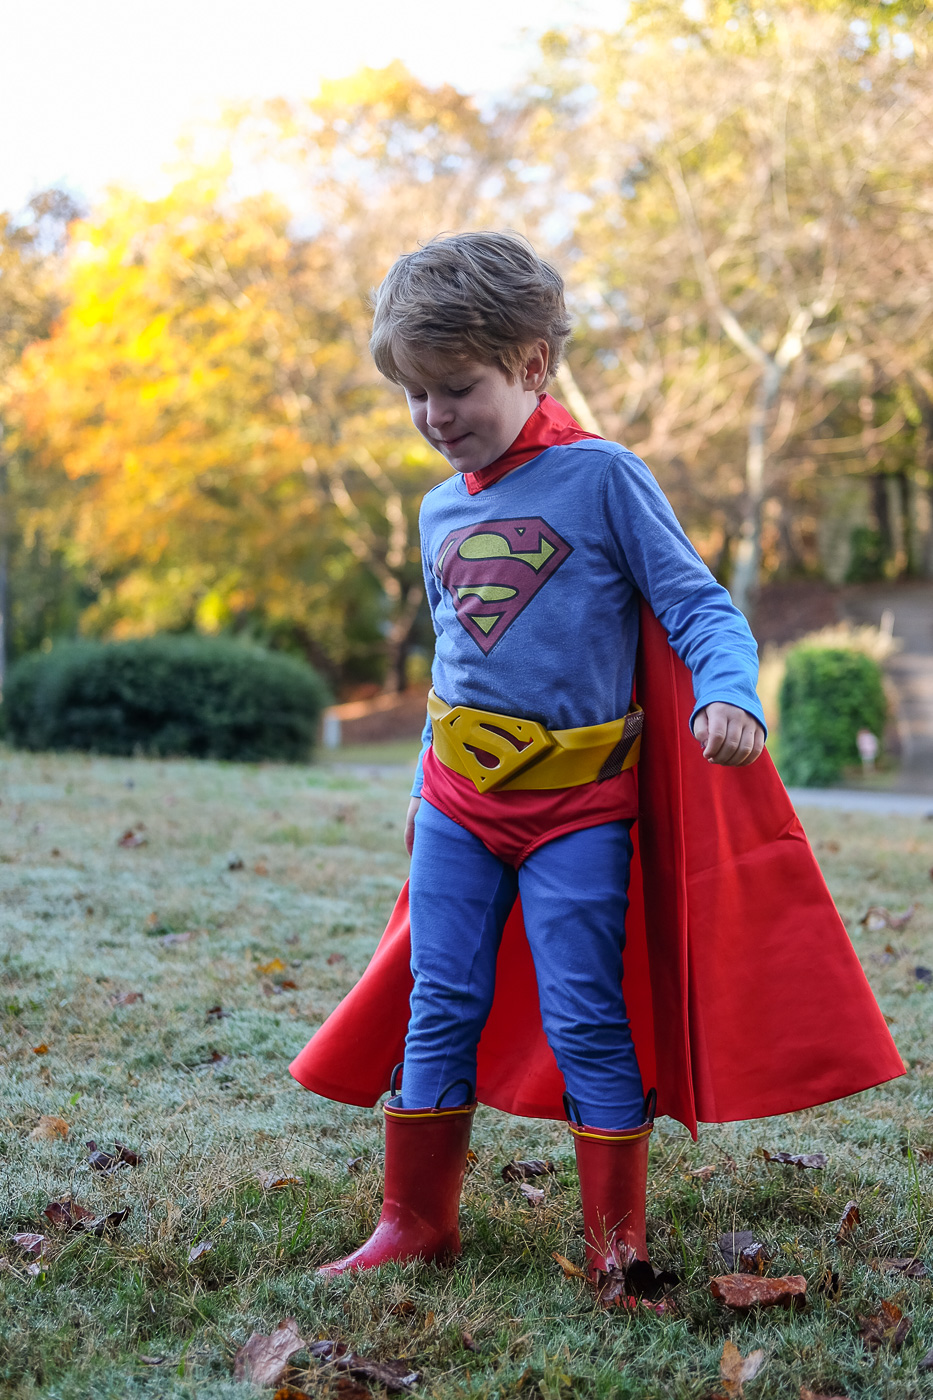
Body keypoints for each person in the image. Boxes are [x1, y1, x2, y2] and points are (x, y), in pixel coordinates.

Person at [292, 231, 903, 1287]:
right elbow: (457, 661)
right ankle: (415, 1220)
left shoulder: (605, 478)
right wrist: (416, 787)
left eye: (458, 387)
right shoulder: (440, 505)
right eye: (416, 395)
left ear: (532, 363)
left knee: (586, 1009)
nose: (437, 417)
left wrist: (728, 691)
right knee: (438, 994)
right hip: (456, 799)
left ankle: (618, 1240)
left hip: (579, 805)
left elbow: (701, 606)